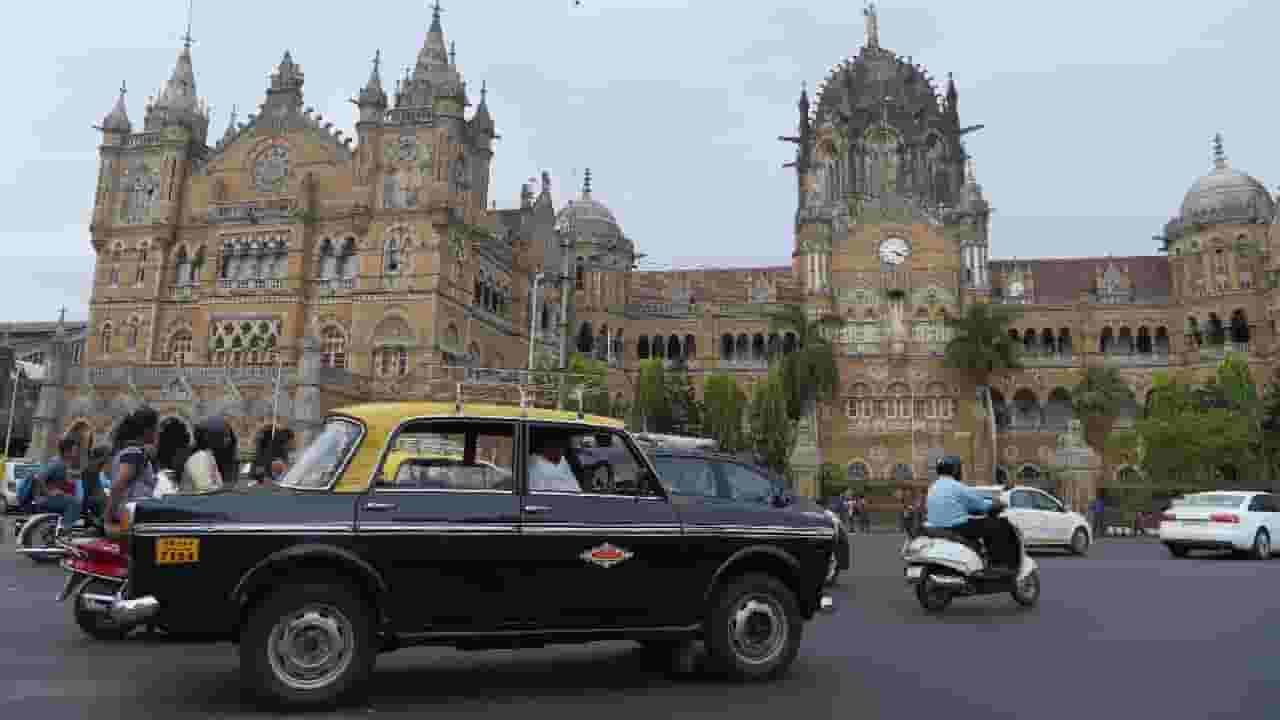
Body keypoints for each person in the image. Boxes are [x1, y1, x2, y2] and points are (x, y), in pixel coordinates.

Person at [924, 456, 1013, 570]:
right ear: (955, 470)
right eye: (960, 468)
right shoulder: (956, 486)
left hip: (936, 527)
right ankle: (997, 565)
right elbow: (981, 505)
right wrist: (997, 505)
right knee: (997, 525)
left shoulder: (933, 487)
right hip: (956, 527)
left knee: (980, 525)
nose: (961, 472)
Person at [106, 406, 160, 533]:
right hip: (131, 518)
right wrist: (107, 519)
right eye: (156, 428)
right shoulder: (134, 453)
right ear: (148, 430)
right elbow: (118, 486)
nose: (158, 433)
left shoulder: (134, 452)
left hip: (133, 517)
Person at [22, 435, 85, 535]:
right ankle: (63, 530)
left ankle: (60, 528)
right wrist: (48, 493)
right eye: (74, 450)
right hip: (44, 499)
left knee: (74, 500)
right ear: (67, 451)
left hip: (48, 498)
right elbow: (39, 478)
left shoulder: (62, 463)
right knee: (74, 503)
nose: (76, 453)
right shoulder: (57, 463)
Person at [182, 416, 230, 493]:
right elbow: (206, 490)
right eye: (225, 435)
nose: (228, 439)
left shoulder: (209, 457)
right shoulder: (199, 459)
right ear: (210, 437)